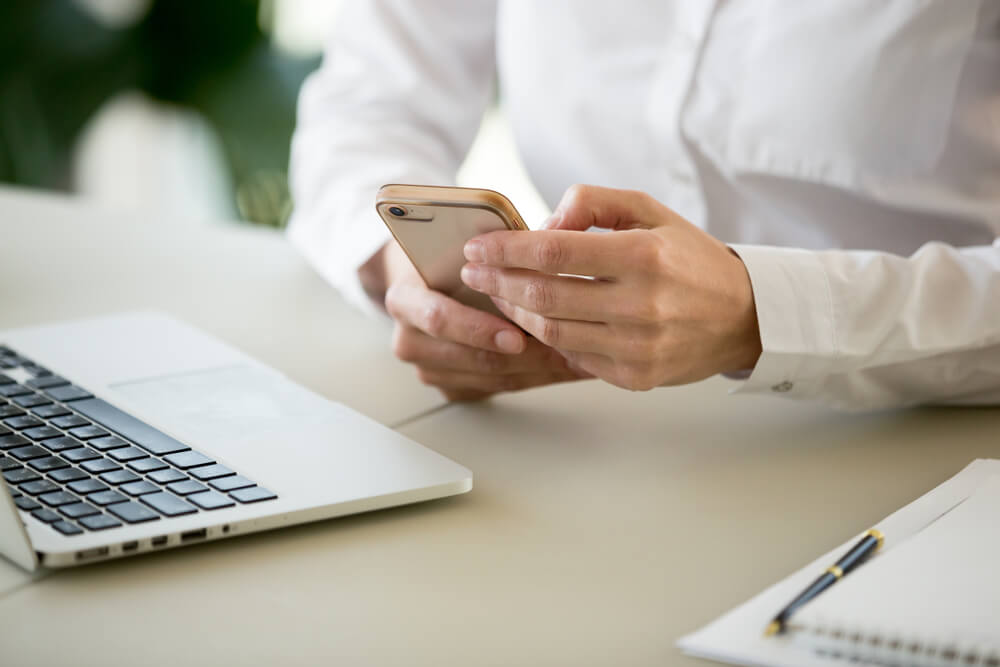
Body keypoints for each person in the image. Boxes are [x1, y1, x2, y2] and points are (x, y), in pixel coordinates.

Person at [287, 1, 1000, 411]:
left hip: (928, 456)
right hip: (588, 434)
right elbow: (367, 105)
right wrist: (412, 271)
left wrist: (763, 315)